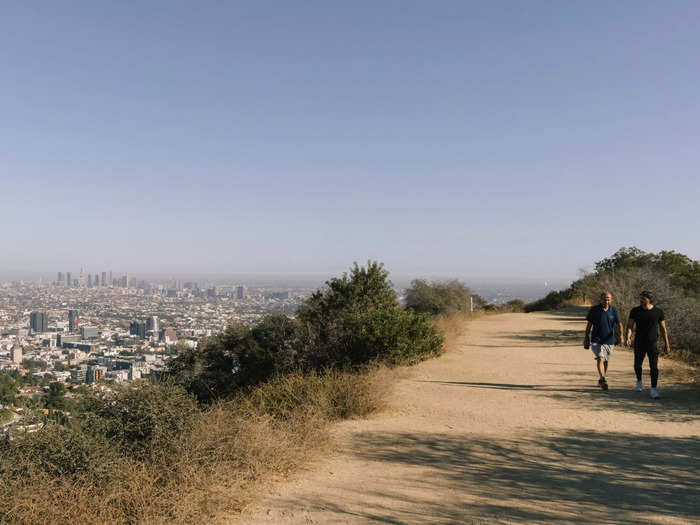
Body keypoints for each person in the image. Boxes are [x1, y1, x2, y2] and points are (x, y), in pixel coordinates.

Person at [626, 291, 670, 399]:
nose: (640, 300)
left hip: (653, 343)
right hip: (639, 342)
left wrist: (667, 344)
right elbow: (630, 326)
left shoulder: (658, 312)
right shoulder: (635, 311)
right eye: (640, 298)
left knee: (654, 366)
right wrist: (628, 337)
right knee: (637, 364)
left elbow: (663, 329)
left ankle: (654, 389)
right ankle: (639, 382)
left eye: (643, 299)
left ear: (649, 299)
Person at [584, 291, 623, 390]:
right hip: (596, 339)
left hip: (609, 340)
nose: (607, 301)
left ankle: (602, 378)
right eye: (605, 299)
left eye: (608, 299)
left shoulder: (613, 310)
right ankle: (602, 379)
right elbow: (589, 325)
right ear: (601, 299)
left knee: (605, 360)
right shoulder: (594, 310)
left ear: (611, 300)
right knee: (600, 358)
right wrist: (586, 338)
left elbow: (619, 324)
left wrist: (621, 336)